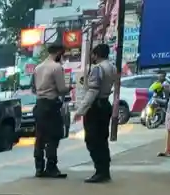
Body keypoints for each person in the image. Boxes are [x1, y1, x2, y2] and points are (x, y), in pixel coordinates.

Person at [73, 43, 118, 184]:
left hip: (96, 107)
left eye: (92, 54)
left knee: (93, 140)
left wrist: (81, 110)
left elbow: (92, 91)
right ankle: (104, 170)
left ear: (96, 55)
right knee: (102, 139)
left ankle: (100, 171)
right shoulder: (112, 67)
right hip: (105, 104)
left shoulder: (98, 69)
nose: (91, 57)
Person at [32, 42, 68, 179]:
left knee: (40, 138)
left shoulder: (38, 68)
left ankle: (39, 168)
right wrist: (69, 88)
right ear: (59, 52)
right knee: (53, 136)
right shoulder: (56, 67)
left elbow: (34, 88)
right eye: (62, 54)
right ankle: (51, 167)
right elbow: (61, 89)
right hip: (51, 105)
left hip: (39, 104)